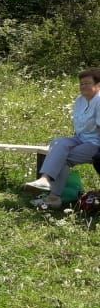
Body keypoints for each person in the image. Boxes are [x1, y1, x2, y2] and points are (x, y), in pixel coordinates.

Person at [24, 69, 100, 207]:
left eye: (87, 83)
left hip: (95, 143)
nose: (83, 86)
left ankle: (53, 197)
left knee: (63, 158)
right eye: (81, 83)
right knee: (58, 142)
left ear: (98, 85)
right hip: (80, 138)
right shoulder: (80, 100)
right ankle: (45, 180)